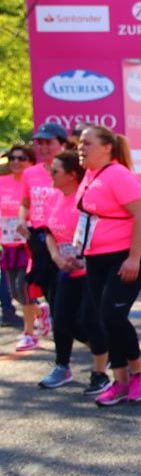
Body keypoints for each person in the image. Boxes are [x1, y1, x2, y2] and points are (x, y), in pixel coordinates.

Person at [76, 126, 141, 405]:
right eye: (80, 143)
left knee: (112, 315)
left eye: (87, 143)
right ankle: (120, 381)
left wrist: (133, 257)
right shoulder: (90, 174)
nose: (81, 148)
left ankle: (139, 371)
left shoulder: (118, 174)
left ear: (107, 147)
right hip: (95, 257)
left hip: (124, 256)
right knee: (101, 319)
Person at [37, 151, 98, 389]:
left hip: (89, 271)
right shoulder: (54, 196)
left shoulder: (86, 198)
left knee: (86, 322)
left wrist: (84, 259)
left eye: (55, 171)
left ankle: (107, 362)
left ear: (72, 175)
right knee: (61, 320)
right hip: (64, 270)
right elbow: (48, 231)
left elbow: (97, 229)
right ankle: (62, 367)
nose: (50, 175)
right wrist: (56, 257)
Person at [21, 122, 68, 337]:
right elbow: (25, 202)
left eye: (49, 142)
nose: (43, 147)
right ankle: (58, 324)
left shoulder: (73, 170)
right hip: (38, 236)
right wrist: (22, 220)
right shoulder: (30, 173)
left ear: (62, 144)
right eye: (40, 143)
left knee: (67, 289)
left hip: (63, 236)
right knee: (44, 285)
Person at [1, 145, 42, 351]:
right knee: (14, 291)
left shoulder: (35, 183)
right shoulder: (2, 182)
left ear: (31, 161)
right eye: (12, 158)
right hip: (8, 244)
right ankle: (41, 313)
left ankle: (29, 333)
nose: (15, 162)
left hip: (29, 243)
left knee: (23, 287)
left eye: (21, 158)